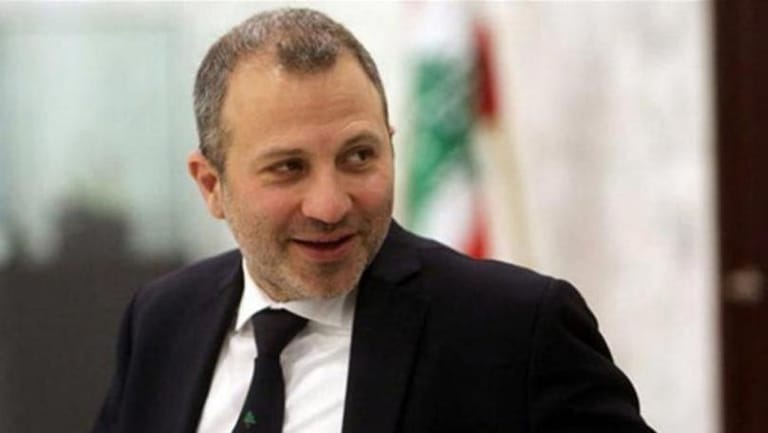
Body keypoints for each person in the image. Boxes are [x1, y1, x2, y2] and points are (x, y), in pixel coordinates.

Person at [93, 8, 656, 433]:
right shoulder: (161, 321)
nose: (330, 205)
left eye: (358, 156)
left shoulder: (514, 330)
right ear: (211, 185)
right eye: (289, 168)